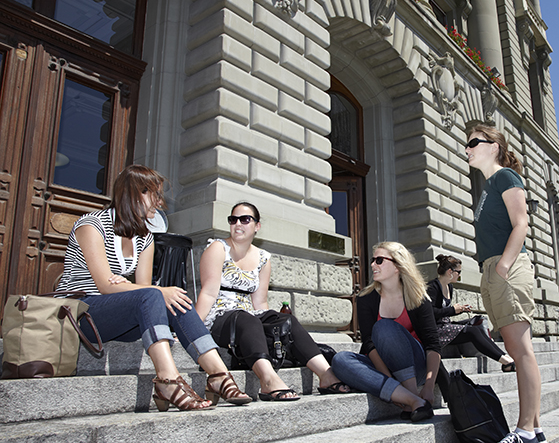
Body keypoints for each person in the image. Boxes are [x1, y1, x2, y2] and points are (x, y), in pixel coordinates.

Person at [56, 165, 251, 411]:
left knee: (175, 299)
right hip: (82, 313)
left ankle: (218, 375)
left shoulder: (145, 237)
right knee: (157, 294)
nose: (159, 202)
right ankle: (167, 380)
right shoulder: (92, 225)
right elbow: (105, 285)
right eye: (154, 195)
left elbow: (143, 288)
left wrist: (135, 288)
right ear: (133, 193)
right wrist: (142, 289)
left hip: (118, 316)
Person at [194, 202, 351, 401]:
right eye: (233, 220)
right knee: (247, 319)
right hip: (219, 317)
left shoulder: (262, 258)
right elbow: (208, 293)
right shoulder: (218, 248)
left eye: (245, 219)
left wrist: (270, 326)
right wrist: (194, 329)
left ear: (257, 226)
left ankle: (326, 375)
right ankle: (268, 380)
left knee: (286, 321)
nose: (238, 224)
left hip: (248, 317)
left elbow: (260, 304)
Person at [465, 125, 546, 443]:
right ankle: (535, 429)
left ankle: (525, 430)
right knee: (517, 347)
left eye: (473, 142)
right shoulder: (488, 186)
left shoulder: (505, 177)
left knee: (520, 349)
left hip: (506, 269)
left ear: (494, 146)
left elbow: (521, 222)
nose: (467, 148)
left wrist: (504, 266)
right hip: (494, 269)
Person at [331, 242, 441, 422]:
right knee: (340, 360)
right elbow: (368, 343)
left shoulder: (418, 297)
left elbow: (433, 345)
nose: (373, 264)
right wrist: (389, 379)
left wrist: (429, 385)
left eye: (380, 260)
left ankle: (412, 393)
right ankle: (413, 399)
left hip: (415, 367)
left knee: (384, 327)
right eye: (373, 260)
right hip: (382, 367)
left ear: (398, 265)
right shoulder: (365, 299)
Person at [427, 254, 515, 371]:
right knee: (472, 331)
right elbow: (429, 313)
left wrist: (459, 310)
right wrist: (453, 310)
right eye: (458, 272)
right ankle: (506, 361)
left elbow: (446, 312)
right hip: (437, 330)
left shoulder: (450, 287)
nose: (459, 275)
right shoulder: (432, 287)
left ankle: (505, 357)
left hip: (446, 326)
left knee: (478, 322)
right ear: (450, 272)